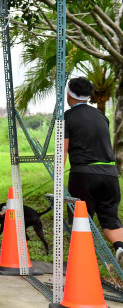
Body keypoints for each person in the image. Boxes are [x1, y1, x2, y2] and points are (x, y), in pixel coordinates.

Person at [64, 77, 123, 264]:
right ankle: (121, 249)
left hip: (84, 175)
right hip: (110, 175)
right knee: (110, 219)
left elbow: (62, 150)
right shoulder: (100, 115)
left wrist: (58, 179)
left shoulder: (68, 116)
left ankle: (82, 264)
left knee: (81, 219)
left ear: (69, 94)